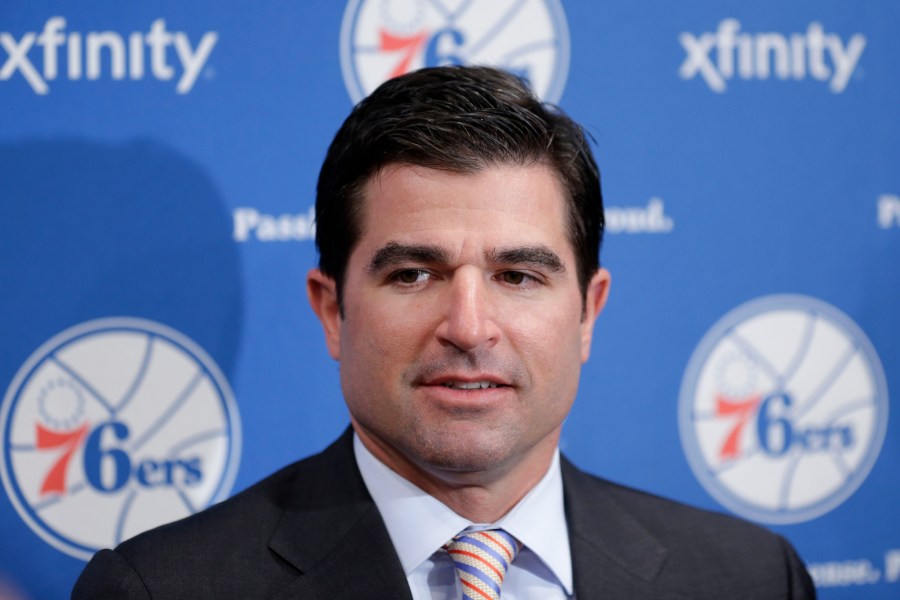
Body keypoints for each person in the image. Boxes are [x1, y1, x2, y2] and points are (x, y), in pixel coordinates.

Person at [73, 65, 816, 599]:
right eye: (413, 275)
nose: (467, 326)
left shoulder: (748, 577)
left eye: (518, 276)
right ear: (332, 310)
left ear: (589, 311)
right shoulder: (160, 588)